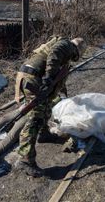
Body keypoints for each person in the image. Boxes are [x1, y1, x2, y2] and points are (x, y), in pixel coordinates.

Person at [14, 36, 87, 177]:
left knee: (45, 108)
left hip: (30, 76)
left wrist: (61, 89)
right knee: (35, 118)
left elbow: (59, 73)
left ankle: (44, 134)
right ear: (79, 50)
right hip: (34, 78)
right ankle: (25, 159)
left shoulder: (65, 50)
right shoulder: (67, 46)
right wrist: (48, 78)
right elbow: (55, 54)